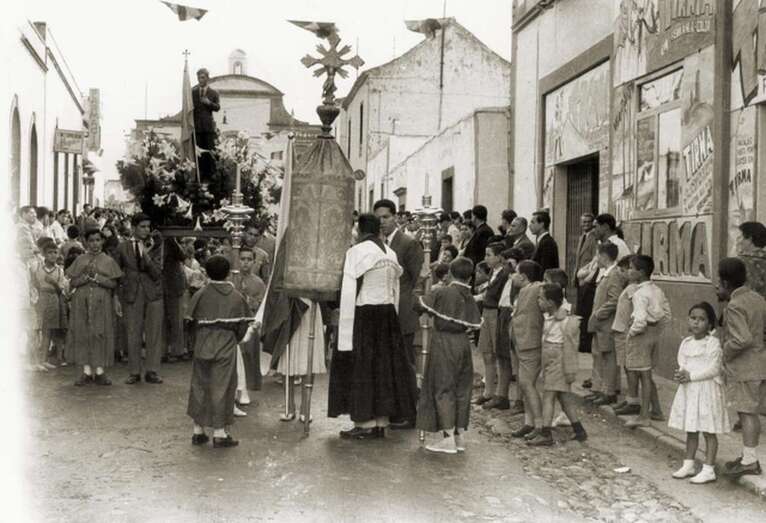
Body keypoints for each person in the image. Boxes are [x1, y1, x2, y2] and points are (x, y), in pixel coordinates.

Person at [328, 213, 418, 439]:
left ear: (360, 230)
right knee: (384, 367)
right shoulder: (390, 252)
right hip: (387, 314)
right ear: (378, 229)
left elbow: (349, 287)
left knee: (363, 366)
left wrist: (342, 319)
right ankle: (381, 421)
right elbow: (395, 289)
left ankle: (365, 422)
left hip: (365, 313)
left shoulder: (357, 251)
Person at [415, 257, 482, 454]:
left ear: (451, 273)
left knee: (443, 388)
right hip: (463, 343)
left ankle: (448, 438)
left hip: (444, 341)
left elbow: (419, 304)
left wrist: (420, 282)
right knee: (462, 388)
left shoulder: (443, 292)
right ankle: (460, 436)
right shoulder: (468, 294)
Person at [186, 255, 251, 448]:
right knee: (222, 387)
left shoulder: (200, 294)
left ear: (206, 271)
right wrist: (233, 340)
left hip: (202, 342)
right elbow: (243, 326)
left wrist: (196, 342)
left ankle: (198, 431)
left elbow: (189, 322)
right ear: (228, 272)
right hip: (225, 344)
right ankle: (220, 433)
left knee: (199, 385)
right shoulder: (236, 297)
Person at [373, 199, 423, 429]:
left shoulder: (408, 243)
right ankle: (395, 409)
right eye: (378, 218)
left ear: (395, 217)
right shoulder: (377, 243)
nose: (381, 222)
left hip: (402, 311)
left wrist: (406, 307)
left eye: (385, 217)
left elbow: (414, 279)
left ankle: (410, 413)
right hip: (384, 310)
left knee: (405, 364)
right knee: (389, 364)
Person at [668, 302, 730, 484]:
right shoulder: (686, 343)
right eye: (693, 318)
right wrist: (681, 374)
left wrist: (691, 376)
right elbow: (683, 363)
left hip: (707, 390)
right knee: (691, 428)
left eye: (702, 319)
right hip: (690, 391)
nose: (696, 323)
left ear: (710, 324)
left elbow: (714, 369)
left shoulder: (713, 343)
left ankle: (709, 468)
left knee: (708, 430)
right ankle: (689, 464)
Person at [717, 257, 766, 477]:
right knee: (750, 412)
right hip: (758, 362)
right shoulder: (757, 298)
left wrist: (723, 353)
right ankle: (749, 456)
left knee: (746, 413)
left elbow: (741, 339)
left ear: (726, 282)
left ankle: (750, 461)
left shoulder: (734, 305)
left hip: (744, 367)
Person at [527, 283, 587, 446]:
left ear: (551, 303)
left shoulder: (562, 319)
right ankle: (579, 430)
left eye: (541, 298)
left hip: (558, 360)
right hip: (551, 359)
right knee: (564, 397)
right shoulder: (550, 315)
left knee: (549, 395)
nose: (538, 301)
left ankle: (545, 433)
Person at [66, 229, 123, 386]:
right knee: (82, 334)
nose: (95, 244)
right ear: (86, 242)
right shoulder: (80, 259)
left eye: (98, 240)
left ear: (102, 241)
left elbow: (113, 283)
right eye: (91, 241)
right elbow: (72, 282)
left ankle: (99, 371)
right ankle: (86, 371)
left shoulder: (108, 260)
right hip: (81, 301)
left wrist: (97, 278)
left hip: (101, 301)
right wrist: (85, 277)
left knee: (99, 333)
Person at [114, 214, 164, 385]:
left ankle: (152, 371)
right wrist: (123, 286)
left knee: (154, 333)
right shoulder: (122, 247)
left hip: (153, 294)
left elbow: (157, 273)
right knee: (133, 332)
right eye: (142, 226)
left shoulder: (156, 246)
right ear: (133, 228)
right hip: (132, 293)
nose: (146, 230)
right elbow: (116, 271)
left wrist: (146, 253)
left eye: (148, 226)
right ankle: (134, 372)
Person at [624, 255, 671, 428]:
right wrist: (657, 330)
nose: (629, 271)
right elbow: (666, 314)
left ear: (641, 272)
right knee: (647, 373)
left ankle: (644, 416)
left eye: (631, 268)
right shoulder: (657, 290)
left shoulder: (640, 294)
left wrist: (631, 333)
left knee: (642, 374)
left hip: (641, 335)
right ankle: (656, 410)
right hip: (654, 333)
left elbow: (640, 320)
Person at [473, 242, 512, 410]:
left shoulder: (504, 274)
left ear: (499, 257)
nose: (486, 258)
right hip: (487, 313)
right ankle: (488, 392)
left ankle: (501, 394)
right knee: (487, 353)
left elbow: (496, 296)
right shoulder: (493, 272)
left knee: (500, 354)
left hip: (496, 313)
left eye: (489, 255)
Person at [510, 260, 545, 440]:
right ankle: (529, 422)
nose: (513, 276)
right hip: (523, 342)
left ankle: (539, 424)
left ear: (523, 276)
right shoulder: (525, 290)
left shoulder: (537, 288)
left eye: (516, 272)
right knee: (525, 384)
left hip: (531, 342)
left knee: (527, 383)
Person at [586, 242, 624, 407]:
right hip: (600, 324)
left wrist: (600, 313)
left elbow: (615, 299)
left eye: (597, 255)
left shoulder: (614, 274)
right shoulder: (606, 273)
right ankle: (600, 389)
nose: (596, 259)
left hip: (606, 323)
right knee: (599, 356)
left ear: (603, 256)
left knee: (609, 358)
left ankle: (609, 391)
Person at [611, 255, 641, 416]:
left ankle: (633, 400)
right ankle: (630, 399)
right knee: (625, 366)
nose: (624, 273)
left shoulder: (633, 289)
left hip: (625, 331)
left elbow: (637, 308)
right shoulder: (629, 287)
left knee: (629, 367)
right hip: (621, 330)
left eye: (627, 269)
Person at [32, 240, 68, 370]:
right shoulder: (38, 268)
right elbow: (35, 283)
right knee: (39, 330)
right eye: (50, 253)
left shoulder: (59, 271)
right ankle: (38, 360)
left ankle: (44, 359)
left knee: (49, 331)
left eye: (55, 252)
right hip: (42, 300)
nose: (53, 255)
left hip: (54, 300)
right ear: (44, 254)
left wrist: (54, 282)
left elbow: (61, 289)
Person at [574, 213, 599, 363]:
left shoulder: (593, 238)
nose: (585, 224)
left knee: (585, 311)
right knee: (581, 310)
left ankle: (585, 343)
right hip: (580, 277)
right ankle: (582, 342)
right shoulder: (581, 237)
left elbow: (593, 260)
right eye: (583, 222)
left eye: (588, 222)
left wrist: (586, 278)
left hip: (587, 279)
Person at [193, 68, 221, 181]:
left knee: (208, 154)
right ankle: (197, 178)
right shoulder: (193, 92)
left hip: (208, 129)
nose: (200, 80)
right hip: (196, 128)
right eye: (199, 77)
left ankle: (208, 179)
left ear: (207, 78)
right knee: (197, 154)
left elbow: (218, 107)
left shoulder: (213, 93)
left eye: (203, 77)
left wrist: (209, 103)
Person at [736, 221, 766, 300]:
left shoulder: (739, 263)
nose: (738, 241)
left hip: (744, 308)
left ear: (749, 239)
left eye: (740, 237)